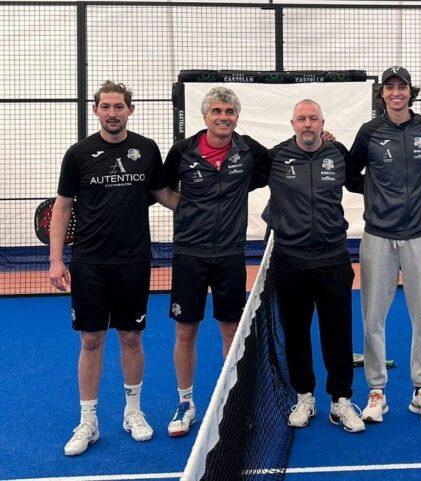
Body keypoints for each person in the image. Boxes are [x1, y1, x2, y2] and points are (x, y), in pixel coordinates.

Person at [50, 81, 179, 456]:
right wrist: (57, 260)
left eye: (119, 106)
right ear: (96, 111)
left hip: (133, 261)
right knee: (91, 340)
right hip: (89, 263)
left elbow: (165, 196)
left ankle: (133, 412)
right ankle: (88, 421)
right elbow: (62, 207)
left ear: (130, 110)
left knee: (131, 337)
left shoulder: (147, 150)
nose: (112, 112)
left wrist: (210, 206)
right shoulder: (78, 154)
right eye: (105, 106)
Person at [251, 99, 365, 432]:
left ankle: (341, 400)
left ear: (322, 122)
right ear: (292, 123)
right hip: (291, 261)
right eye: (302, 119)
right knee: (297, 334)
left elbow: (370, 179)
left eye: (313, 118)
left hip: (333, 258)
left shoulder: (338, 154)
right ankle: (304, 396)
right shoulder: (274, 158)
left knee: (338, 335)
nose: (308, 124)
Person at [163, 87, 269, 437]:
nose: (224, 117)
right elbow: (160, 189)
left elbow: (273, 169)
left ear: (236, 117)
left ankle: (232, 402)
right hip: (189, 254)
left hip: (229, 255)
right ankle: (185, 403)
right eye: (217, 111)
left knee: (231, 330)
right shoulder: (182, 151)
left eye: (230, 112)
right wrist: (189, 208)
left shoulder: (249, 150)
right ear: (205, 116)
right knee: (186, 330)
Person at [348, 66, 421, 423]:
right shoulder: (369, 132)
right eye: (389, 88)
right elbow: (348, 173)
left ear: (410, 92)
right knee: (373, 317)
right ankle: (377, 392)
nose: (396, 93)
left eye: (401, 87)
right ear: (383, 94)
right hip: (377, 236)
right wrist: (376, 192)